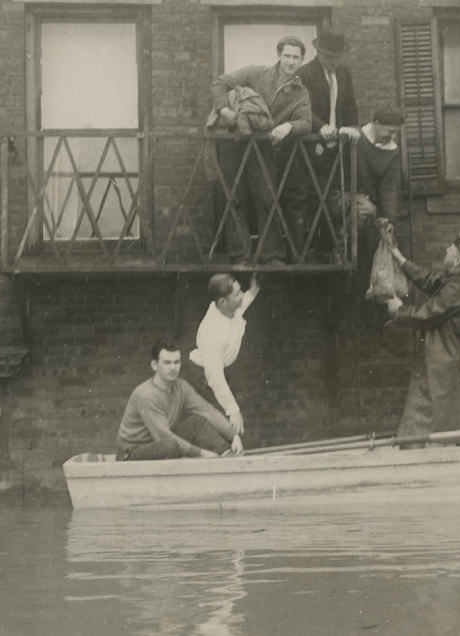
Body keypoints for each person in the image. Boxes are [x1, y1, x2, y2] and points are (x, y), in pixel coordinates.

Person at [209, 36, 313, 264]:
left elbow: (307, 122)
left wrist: (288, 126)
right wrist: (225, 110)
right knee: (234, 198)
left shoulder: (300, 93)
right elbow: (219, 83)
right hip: (234, 142)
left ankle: (271, 255)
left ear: (302, 60)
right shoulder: (256, 73)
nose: (291, 61)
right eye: (287, 55)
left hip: (264, 149)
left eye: (296, 57)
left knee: (267, 197)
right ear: (278, 55)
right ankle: (240, 255)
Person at [381, 230, 460, 446]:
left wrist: (399, 311)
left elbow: (429, 313)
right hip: (452, 359)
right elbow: (430, 280)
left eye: (451, 249)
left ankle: (413, 448)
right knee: (458, 413)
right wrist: (398, 257)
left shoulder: (458, 288)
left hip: (444, 362)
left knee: (424, 407)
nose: (446, 250)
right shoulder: (458, 281)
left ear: (457, 260)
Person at [116, 341, 244, 461]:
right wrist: (202, 453)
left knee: (195, 423)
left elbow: (206, 410)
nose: (173, 367)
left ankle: (228, 454)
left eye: (176, 362)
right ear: (155, 365)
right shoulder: (146, 395)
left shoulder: (181, 387)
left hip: (160, 443)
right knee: (170, 446)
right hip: (132, 453)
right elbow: (163, 436)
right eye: (167, 362)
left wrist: (233, 435)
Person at [297, 28, 359, 260]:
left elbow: (351, 106)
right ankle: (309, 251)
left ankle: (327, 248)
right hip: (313, 147)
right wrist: (321, 126)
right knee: (311, 197)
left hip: (337, 149)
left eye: (336, 57)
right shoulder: (305, 74)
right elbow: (302, 109)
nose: (333, 61)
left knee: (332, 198)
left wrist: (353, 128)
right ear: (319, 53)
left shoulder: (343, 74)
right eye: (329, 57)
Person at [188, 272, 259, 440]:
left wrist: (252, 291)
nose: (241, 296)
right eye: (237, 294)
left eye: (240, 291)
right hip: (203, 379)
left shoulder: (228, 307)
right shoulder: (212, 331)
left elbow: (241, 305)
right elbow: (215, 377)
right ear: (222, 301)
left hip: (219, 371)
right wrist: (232, 411)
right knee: (223, 427)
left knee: (232, 426)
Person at [338, 107, 404, 267]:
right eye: (390, 131)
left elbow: (389, 188)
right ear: (376, 123)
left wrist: (390, 219)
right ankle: (339, 249)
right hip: (340, 194)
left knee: (367, 216)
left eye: (396, 132)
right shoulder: (355, 136)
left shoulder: (393, 153)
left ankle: (343, 252)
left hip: (366, 202)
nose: (392, 136)